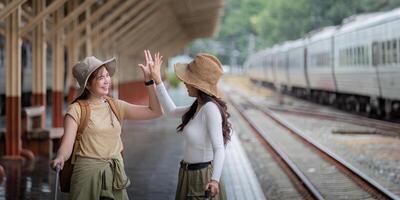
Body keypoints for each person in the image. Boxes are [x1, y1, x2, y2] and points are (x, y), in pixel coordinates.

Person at [50, 50, 163, 199]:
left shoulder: (116, 106)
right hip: (87, 177)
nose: (107, 80)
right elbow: (67, 145)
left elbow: (155, 112)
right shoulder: (76, 109)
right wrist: (60, 157)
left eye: (107, 76)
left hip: (115, 175)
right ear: (88, 85)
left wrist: (149, 81)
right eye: (100, 77)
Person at [149, 52, 232, 199]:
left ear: (197, 84)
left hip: (202, 177)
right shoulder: (198, 106)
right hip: (187, 174)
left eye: (187, 80)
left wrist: (214, 180)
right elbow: (171, 111)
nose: (184, 83)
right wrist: (156, 81)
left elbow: (219, 148)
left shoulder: (210, 109)